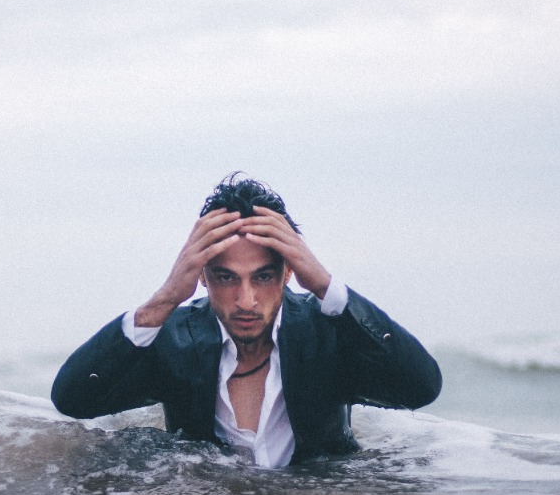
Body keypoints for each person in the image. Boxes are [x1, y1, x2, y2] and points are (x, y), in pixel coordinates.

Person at [51, 174, 441, 468]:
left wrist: (324, 285)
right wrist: (164, 298)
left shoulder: (328, 333)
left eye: (263, 276)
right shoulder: (173, 339)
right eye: (226, 278)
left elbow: (420, 387)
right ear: (201, 276)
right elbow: (74, 400)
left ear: (288, 272)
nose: (246, 300)